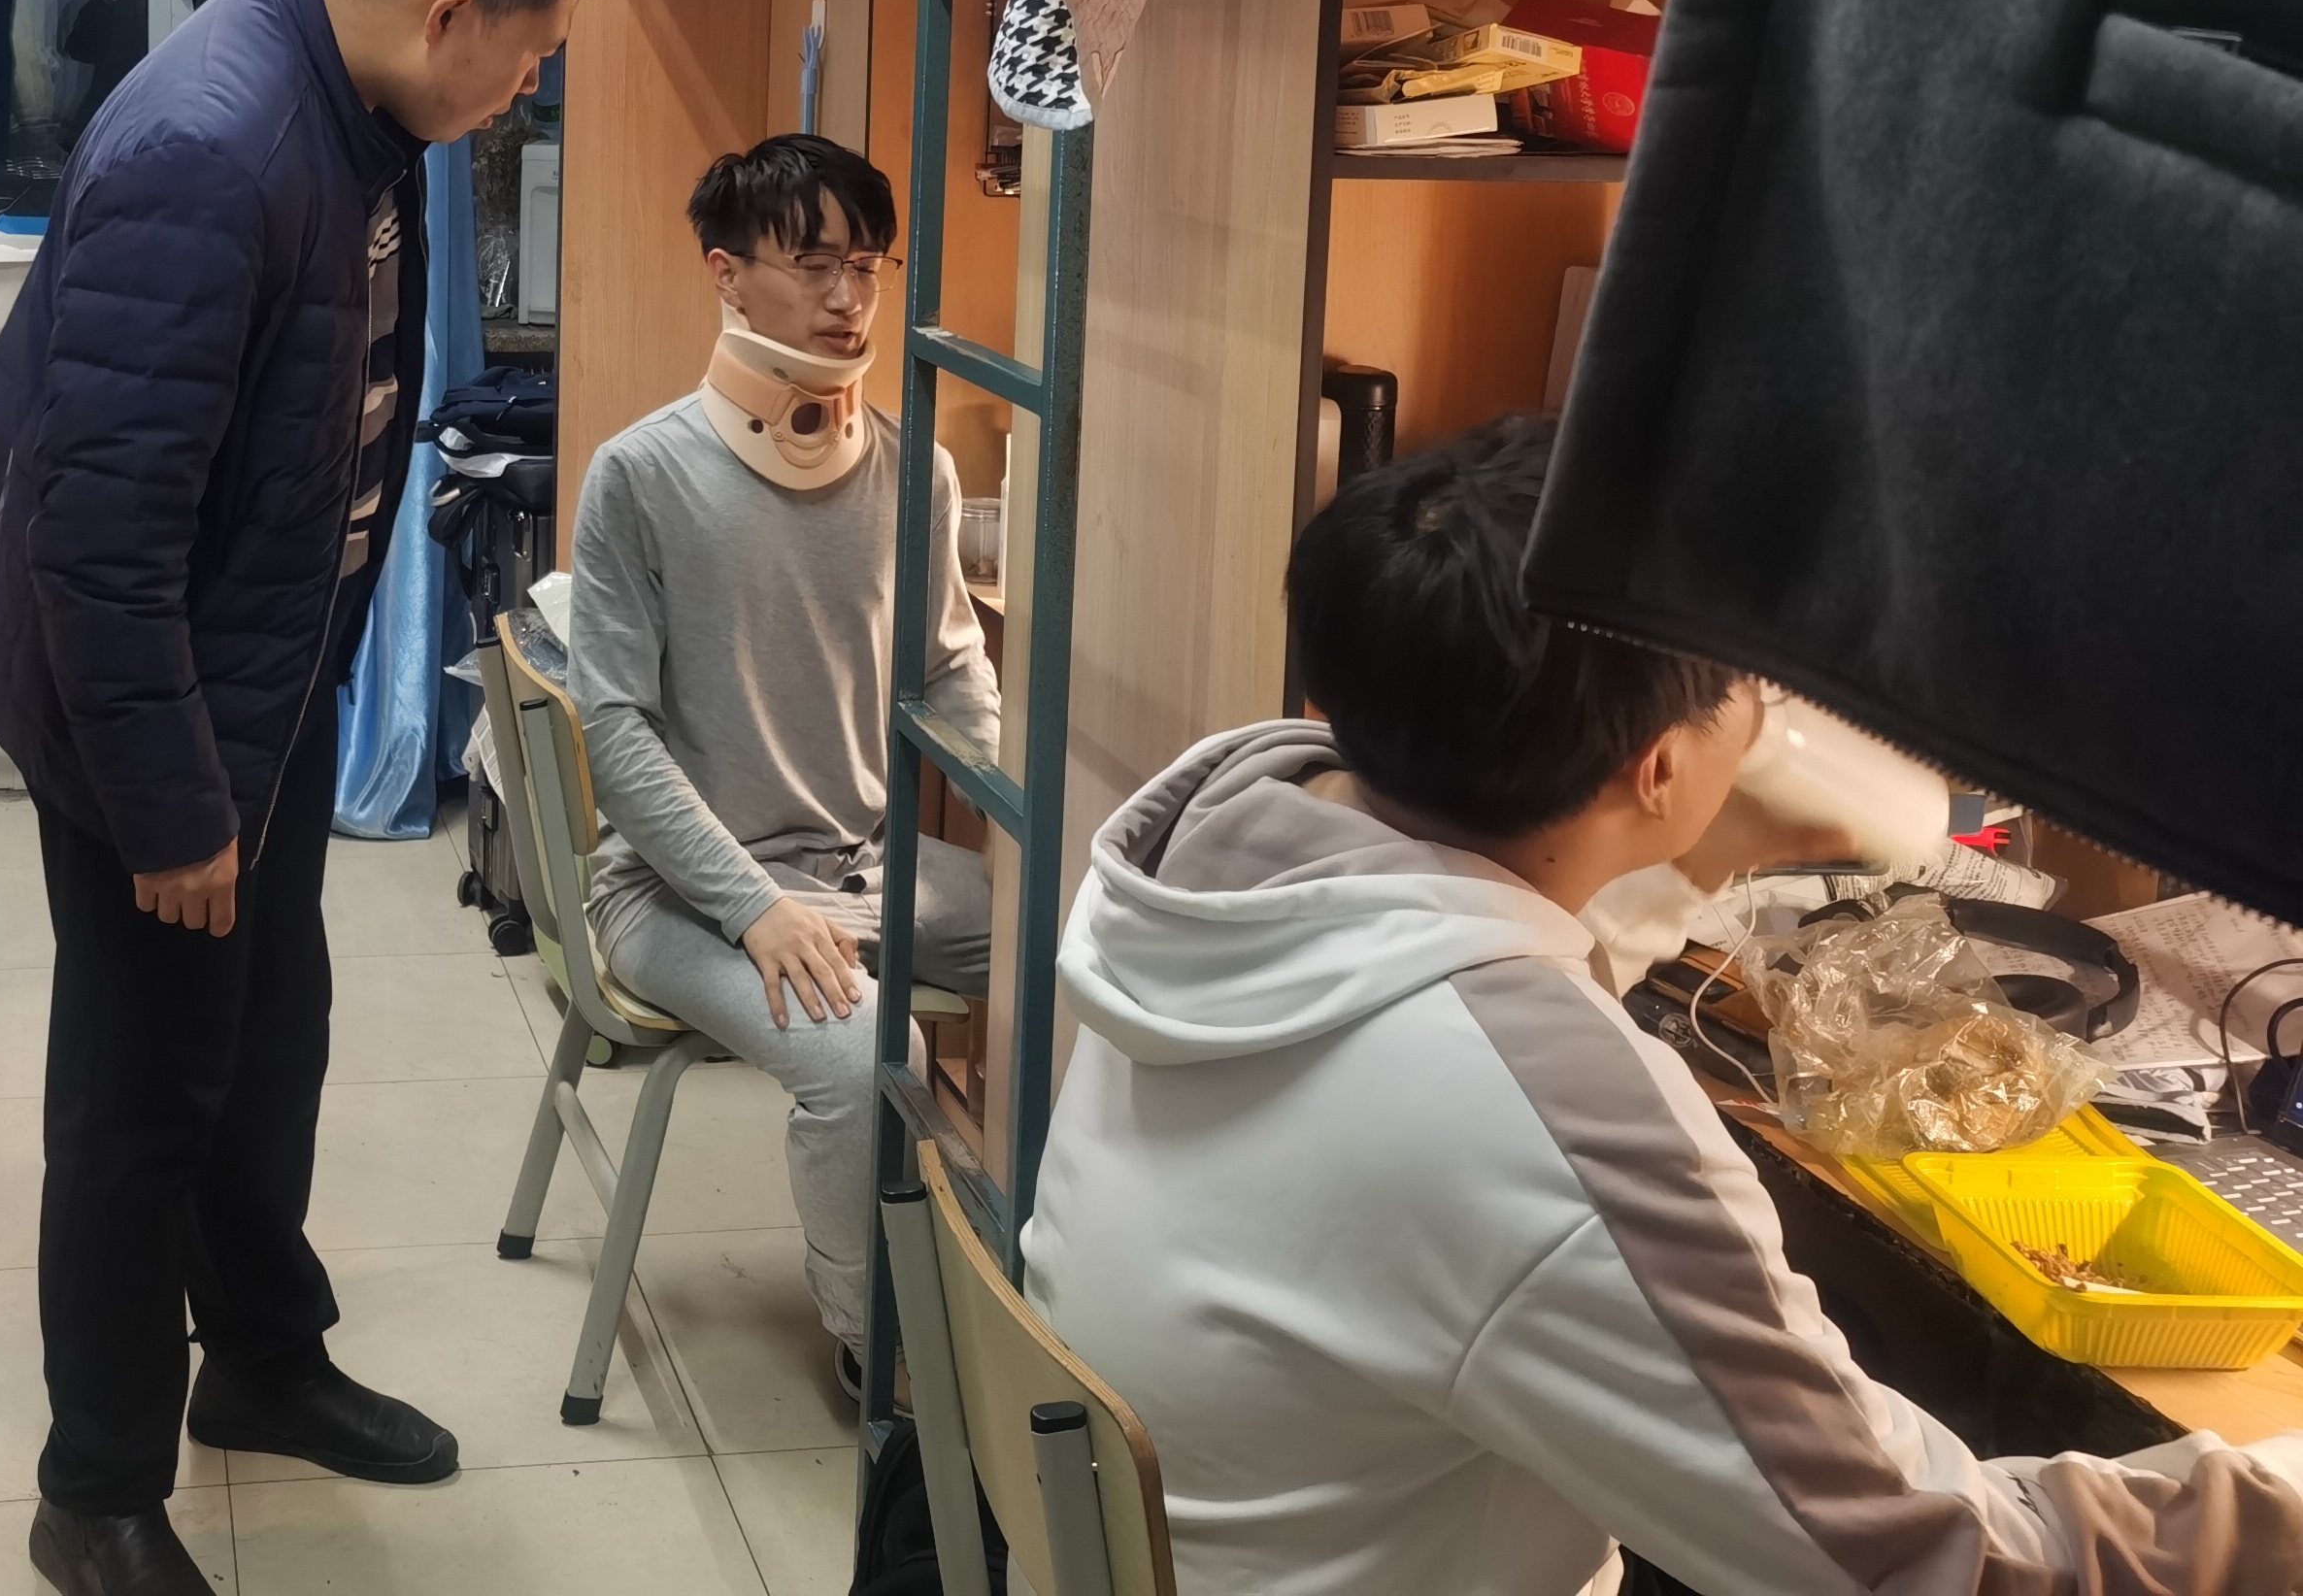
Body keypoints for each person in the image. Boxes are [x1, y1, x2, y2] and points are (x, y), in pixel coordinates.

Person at [1020, 414, 2303, 1596]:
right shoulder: (1540, 1122)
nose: (1768, 709)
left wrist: (1679, 854)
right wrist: (2273, 1501)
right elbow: (1930, 1562)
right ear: (1662, 762)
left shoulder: (1222, 866)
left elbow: (1480, 985)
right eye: (1754, 683)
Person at [0, 0, 607, 1596]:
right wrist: (173, 809)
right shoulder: (212, 148)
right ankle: (92, 1489)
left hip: (258, 669)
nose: (526, 91)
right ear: (450, 12)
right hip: (139, 701)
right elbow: (100, 547)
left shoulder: (357, 106)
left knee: (266, 1035)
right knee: (141, 1093)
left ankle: (258, 1355)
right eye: (530, 57)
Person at [564, 133, 995, 1371]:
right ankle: (882, 1358)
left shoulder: (917, 470)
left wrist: (1020, 821)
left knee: (1078, 956)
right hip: (678, 895)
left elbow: (951, 668)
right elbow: (616, 730)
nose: (850, 297)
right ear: (728, 275)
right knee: (868, 1057)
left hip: (863, 866)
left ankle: (1028, 1291)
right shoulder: (640, 475)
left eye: (869, 265)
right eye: (814, 265)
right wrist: (751, 906)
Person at [59, 0, 151, 124]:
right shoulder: (98, 3)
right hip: (104, 111)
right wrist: (107, 4)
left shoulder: (160, 6)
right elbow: (74, 48)